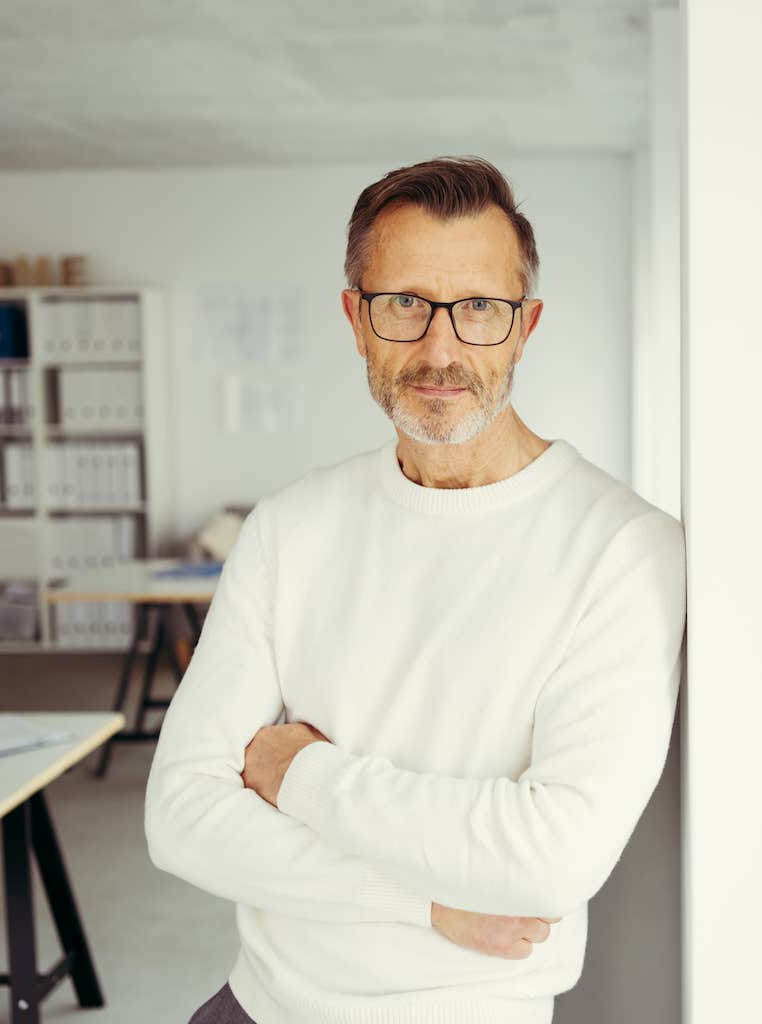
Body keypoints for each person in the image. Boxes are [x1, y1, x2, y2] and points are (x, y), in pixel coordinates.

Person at [144, 156, 687, 1024]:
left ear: (525, 326)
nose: (442, 349)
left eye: (478, 308)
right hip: (255, 1006)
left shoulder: (623, 547)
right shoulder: (289, 526)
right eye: (405, 304)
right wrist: (428, 904)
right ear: (357, 319)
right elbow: (178, 818)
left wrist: (297, 770)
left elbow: (553, 859)